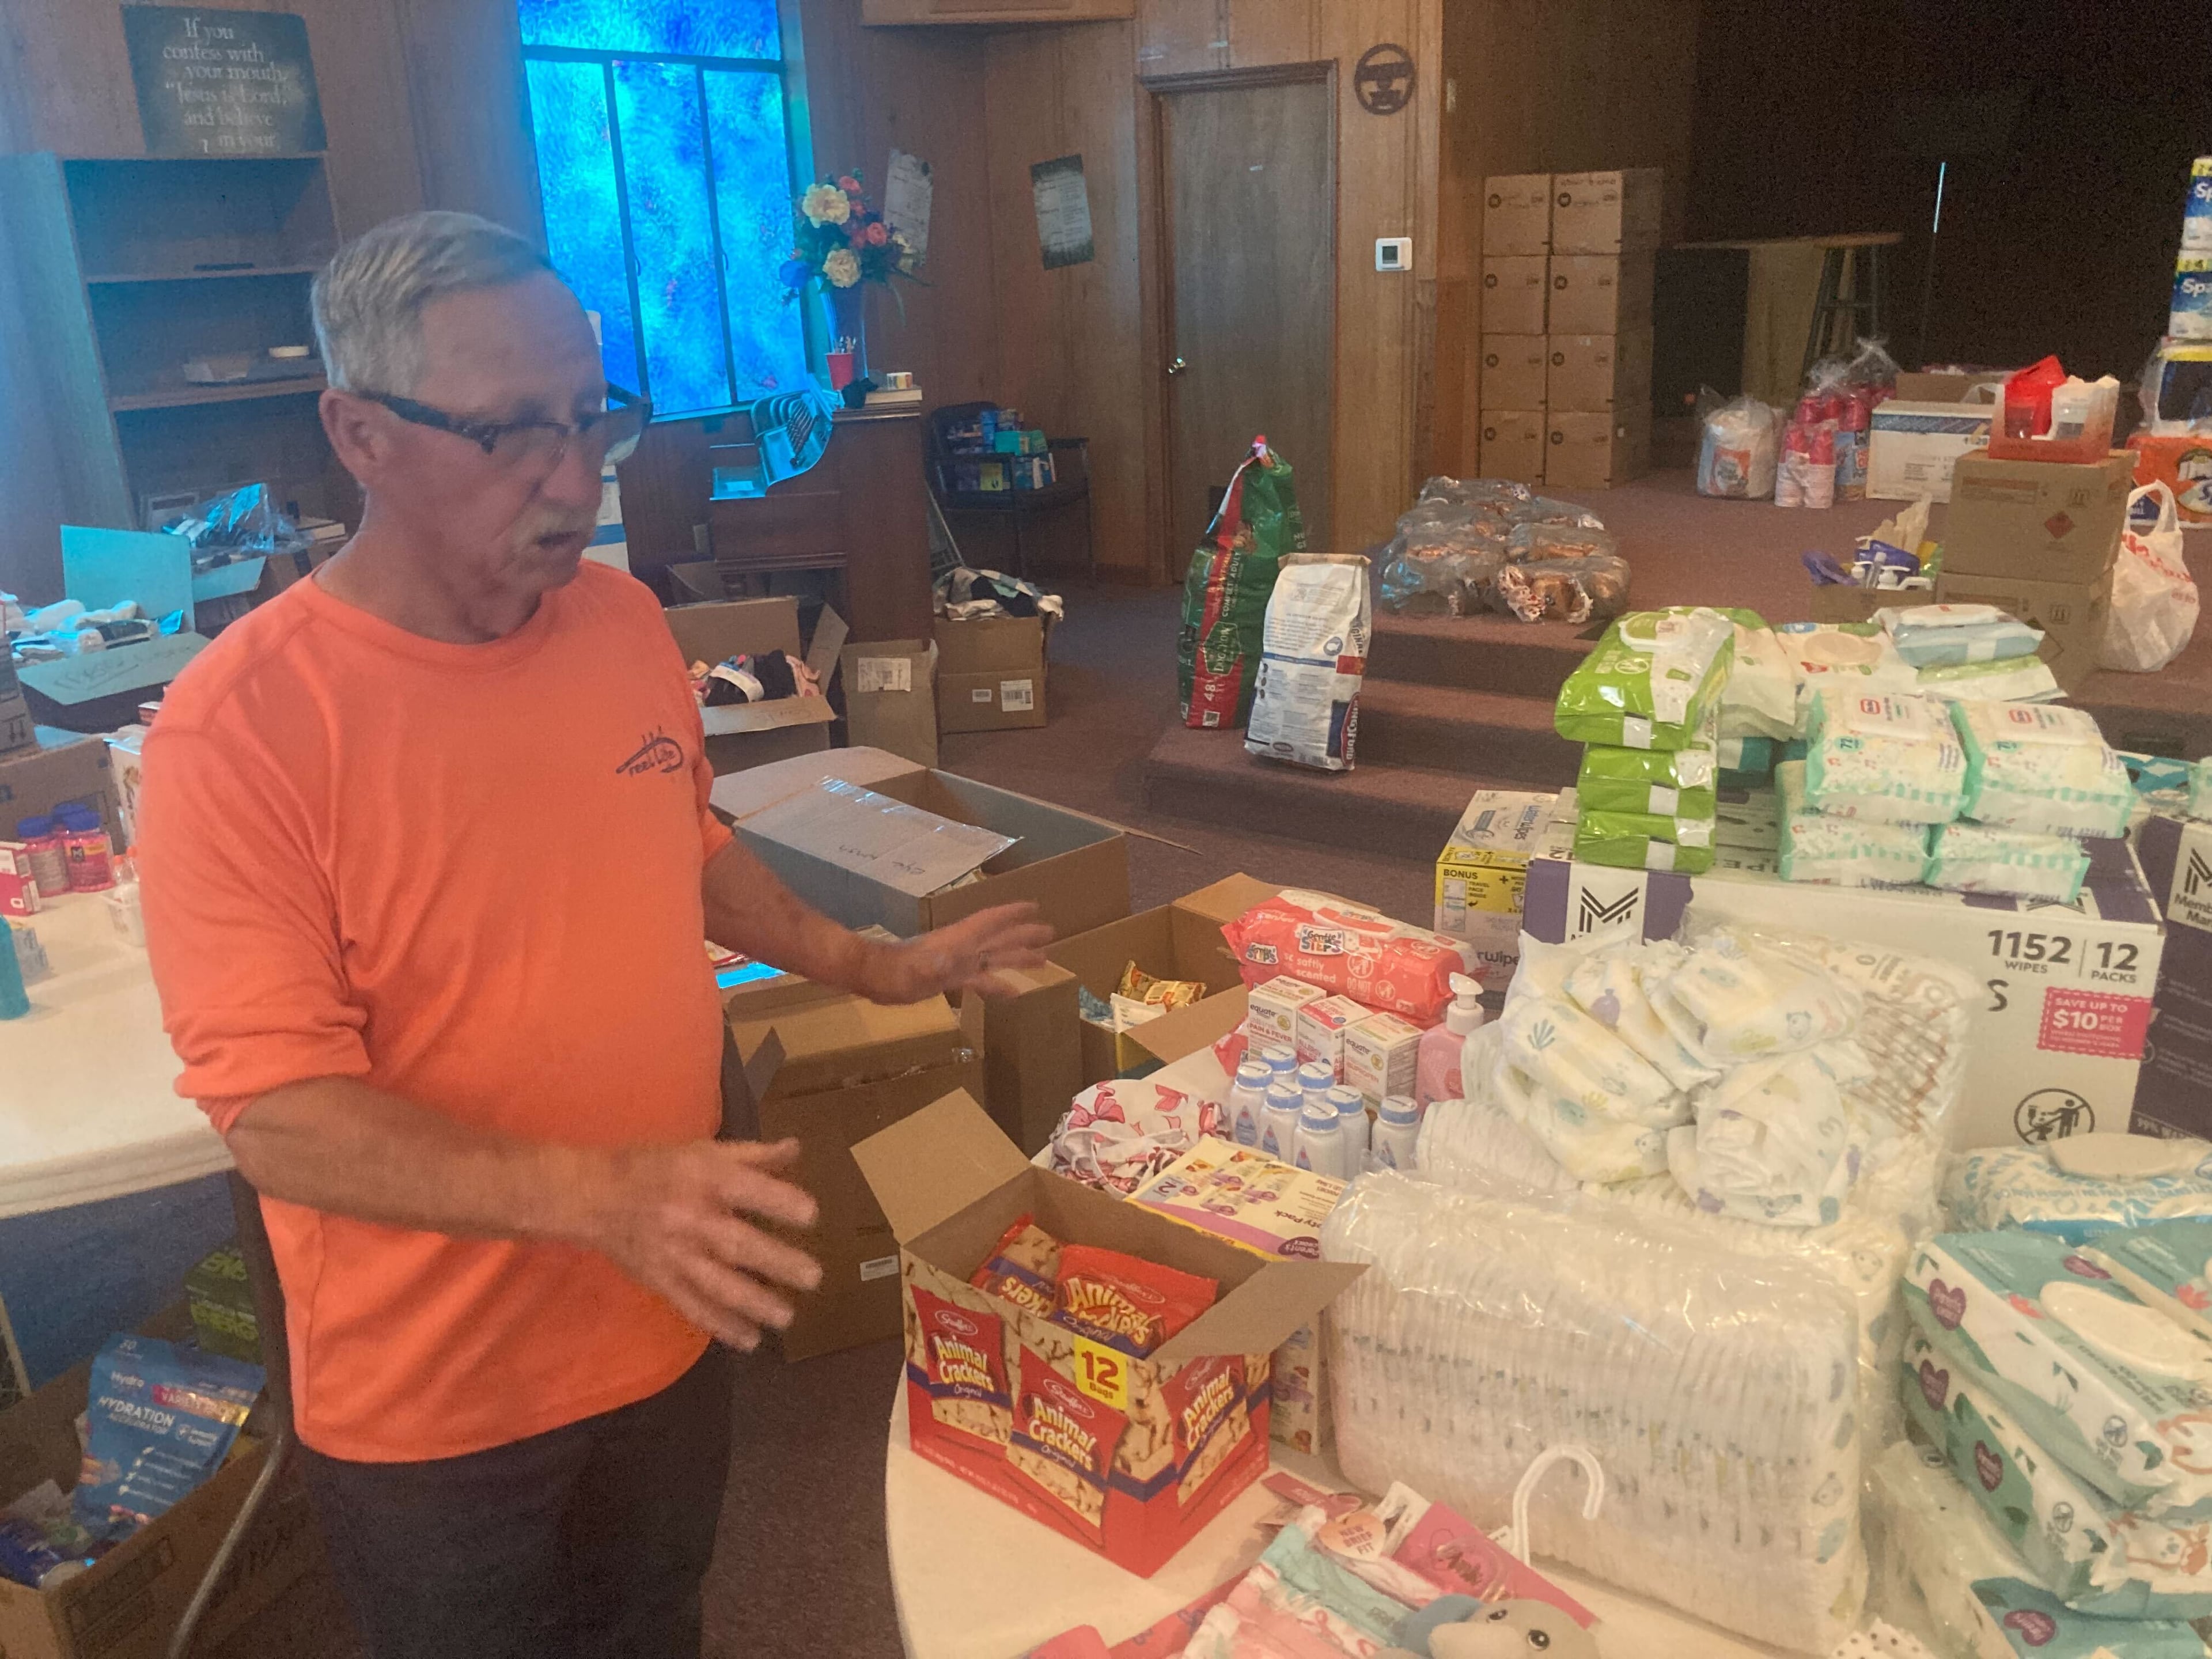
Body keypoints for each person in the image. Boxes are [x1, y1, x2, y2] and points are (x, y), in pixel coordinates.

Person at [134, 211, 1052, 1659]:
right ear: (358, 433)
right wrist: (607, 1198)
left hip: (662, 1315)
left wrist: (879, 964)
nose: (575, 478)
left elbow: (683, 850)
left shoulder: (621, 623)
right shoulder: (241, 731)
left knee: (652, 1624)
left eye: (591, 418)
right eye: (510, 435)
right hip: (441, 1400)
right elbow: (280, 1120)